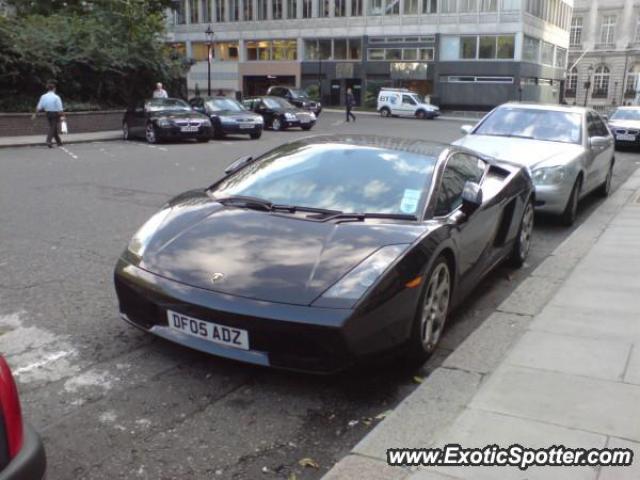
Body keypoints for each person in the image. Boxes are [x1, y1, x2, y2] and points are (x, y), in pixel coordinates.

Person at [34, 82, 64, 148]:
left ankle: (59, 142)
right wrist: (62, 116)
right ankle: (48, 141)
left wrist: (35, 114)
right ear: (54, 89)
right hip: (55, 114)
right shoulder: (56, 97)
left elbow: (39, 107)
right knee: (53, 127)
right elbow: (60, 108)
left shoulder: (43, 96)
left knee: (53, 127)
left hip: (48, 113)